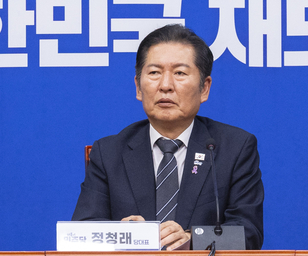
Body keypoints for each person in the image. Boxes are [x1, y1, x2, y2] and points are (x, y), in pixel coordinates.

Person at [72, 24, 265, 250]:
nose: (165, 85)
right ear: (138, 87)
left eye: (180, 73)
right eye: (154, 72)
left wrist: (192, 240)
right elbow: (82, 232)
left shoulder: (235, 148)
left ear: (204, 88)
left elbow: (248, 232)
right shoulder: (109, 152)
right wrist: (122, 234)